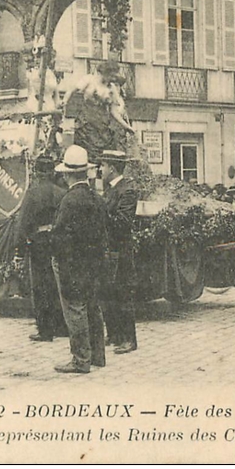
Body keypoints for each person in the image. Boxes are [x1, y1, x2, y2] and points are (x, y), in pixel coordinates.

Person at [51, 145, 108, 373]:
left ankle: (80, 359)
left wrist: (59, 260)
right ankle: (98, 355)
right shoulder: (96, 198)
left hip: (72, 265)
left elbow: (60, 236)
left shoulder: (69, 201)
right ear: (86, 172)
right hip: (93, 263)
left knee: (74, 309)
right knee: (93, 307)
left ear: (66, 174)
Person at [15, 154, 68, 342]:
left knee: (40, 286)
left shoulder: (33, 193)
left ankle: (45, 330)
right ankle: (62, 327)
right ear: (53, 172)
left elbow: (23, 223)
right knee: (57, 284)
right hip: (58, 241)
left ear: (37, 172)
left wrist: (20, 249)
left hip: (38, 243)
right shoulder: (62, 192)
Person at [99, 150, 139, 355]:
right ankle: (114, 334)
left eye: (103, 166)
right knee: (108, 293)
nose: (100, 169)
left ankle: (129, 340)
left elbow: (123, 223)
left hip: (121, 252)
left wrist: (100, 215)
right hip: (109, 250)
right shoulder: (110, 190)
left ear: (112, 169)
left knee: (123, 294)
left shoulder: (127, 191)